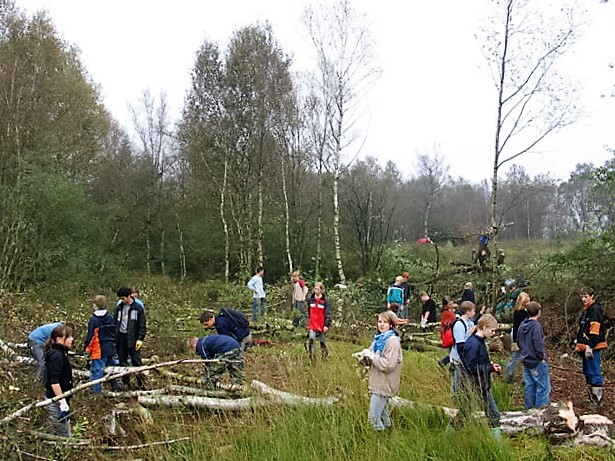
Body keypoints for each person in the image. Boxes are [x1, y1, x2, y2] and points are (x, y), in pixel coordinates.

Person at [460, 314, 502, 440]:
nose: (493, 333)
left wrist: (490, 365)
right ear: (483, 327)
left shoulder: (480, 342)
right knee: (493, 415)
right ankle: (497, 446)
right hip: (475, 386)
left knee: (464, 414)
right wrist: (490, 368)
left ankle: (447, 437)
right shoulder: (473, 344)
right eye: (492, 330)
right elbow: (471, 367)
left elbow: (480, 363)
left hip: (481, 384)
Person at [365, 311, 403, 431]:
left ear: (391, 325)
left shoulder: (392, 341)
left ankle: (379, 442)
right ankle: (389, 438)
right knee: (383, 415)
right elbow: (372, 356)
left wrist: (372, 357)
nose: (381, 325)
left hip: (384, 385)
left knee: (373, 418)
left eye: (385, 322)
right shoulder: (378, 339)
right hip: (377, 382)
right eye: (380, 322)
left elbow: (388, 365)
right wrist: (364, 357)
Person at [575, 287, 608, 407]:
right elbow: (583, 328)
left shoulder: (595, 310)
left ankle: (597, 401)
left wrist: (590, 345)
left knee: (594, 372)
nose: (584, 299)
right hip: (584, 347)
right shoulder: (586, 311)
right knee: (587, 372)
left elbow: (595, 329)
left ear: (592, 296)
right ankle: (591, 398)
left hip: (593, 347)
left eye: (586, 296)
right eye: (582, 296)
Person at [517, 301, 551, 409]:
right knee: (543, 388)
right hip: (536, 361)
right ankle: (540, 413)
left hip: (526, 360)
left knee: (530, 386)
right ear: (538, 312)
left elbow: (518, 341)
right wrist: (541, 357)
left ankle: (529, 410)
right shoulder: (536, 326)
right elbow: (538, 345)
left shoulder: (522, 325)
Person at [84, 295, 119, 393]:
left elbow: (91, 336)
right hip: (110, 347)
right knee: (112, 368)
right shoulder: (110, 317)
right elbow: (114, 332)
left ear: (95, 305)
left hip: (98, 349)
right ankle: (115, 386)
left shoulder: (94, 320)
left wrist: (86, 348)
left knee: (97, 371)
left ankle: (96, 392)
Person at [44, 324, 74, 438]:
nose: (72, 339)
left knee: (64, 432)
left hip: (62, 399)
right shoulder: (56, 356)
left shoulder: (62, 353)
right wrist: (62, 402)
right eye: (69, 336)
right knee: (63, 435)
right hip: (56, 401)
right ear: (59, 339)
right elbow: (54, 382)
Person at [114, 287, 147, 389]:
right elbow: (115, 322)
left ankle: (142, 384)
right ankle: (125, 383)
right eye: (120, 299)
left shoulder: (138, 308)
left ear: (129, 296)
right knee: (122, 361)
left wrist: (140, 339)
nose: (121, 300)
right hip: (121, 338)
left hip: (133, 339)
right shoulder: (119, 308)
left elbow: (142, 325)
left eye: (123, 298)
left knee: (136, 361)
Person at [449, 301, 476, 394]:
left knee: (465, 381)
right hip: (459, 358)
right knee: (457, 380)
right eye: (473, 311)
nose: (474, 313)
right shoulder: (459, 325)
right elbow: (460, 344)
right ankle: (454, 397)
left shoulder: (470, 323)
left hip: (468, 356)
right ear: (467, 311)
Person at [503, 292, 530, 383]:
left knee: (524, 357)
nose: (529, 302)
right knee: (516, 357)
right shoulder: (519, 313)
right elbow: (516, 327)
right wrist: (515, 341)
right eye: (527, 301)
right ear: (522, 302)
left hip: (524, 337)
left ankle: (525, 378)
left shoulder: (526, 312)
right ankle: (508, 376)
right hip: (518, 336)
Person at [307, 282, 332, 360]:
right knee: (311, 338)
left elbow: (328, 313)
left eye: (318, 289)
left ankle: (324, 355)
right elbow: (309, 311)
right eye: (315, 289)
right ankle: (311, 355)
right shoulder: (311, 299)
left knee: (322, 341)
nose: (316, 290)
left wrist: (326, 325)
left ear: (321, 290)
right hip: (312, 324)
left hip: (321, 324)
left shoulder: (325, 301)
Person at [438, 297, 457, 368]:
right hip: (450, 335)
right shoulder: (448, 314)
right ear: (446, 305)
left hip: (448, 334)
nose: (452, 305)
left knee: (453, 352)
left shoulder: (446, 312)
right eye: (450, 304)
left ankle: (446, 363)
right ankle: (445, 362)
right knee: (454, 352)